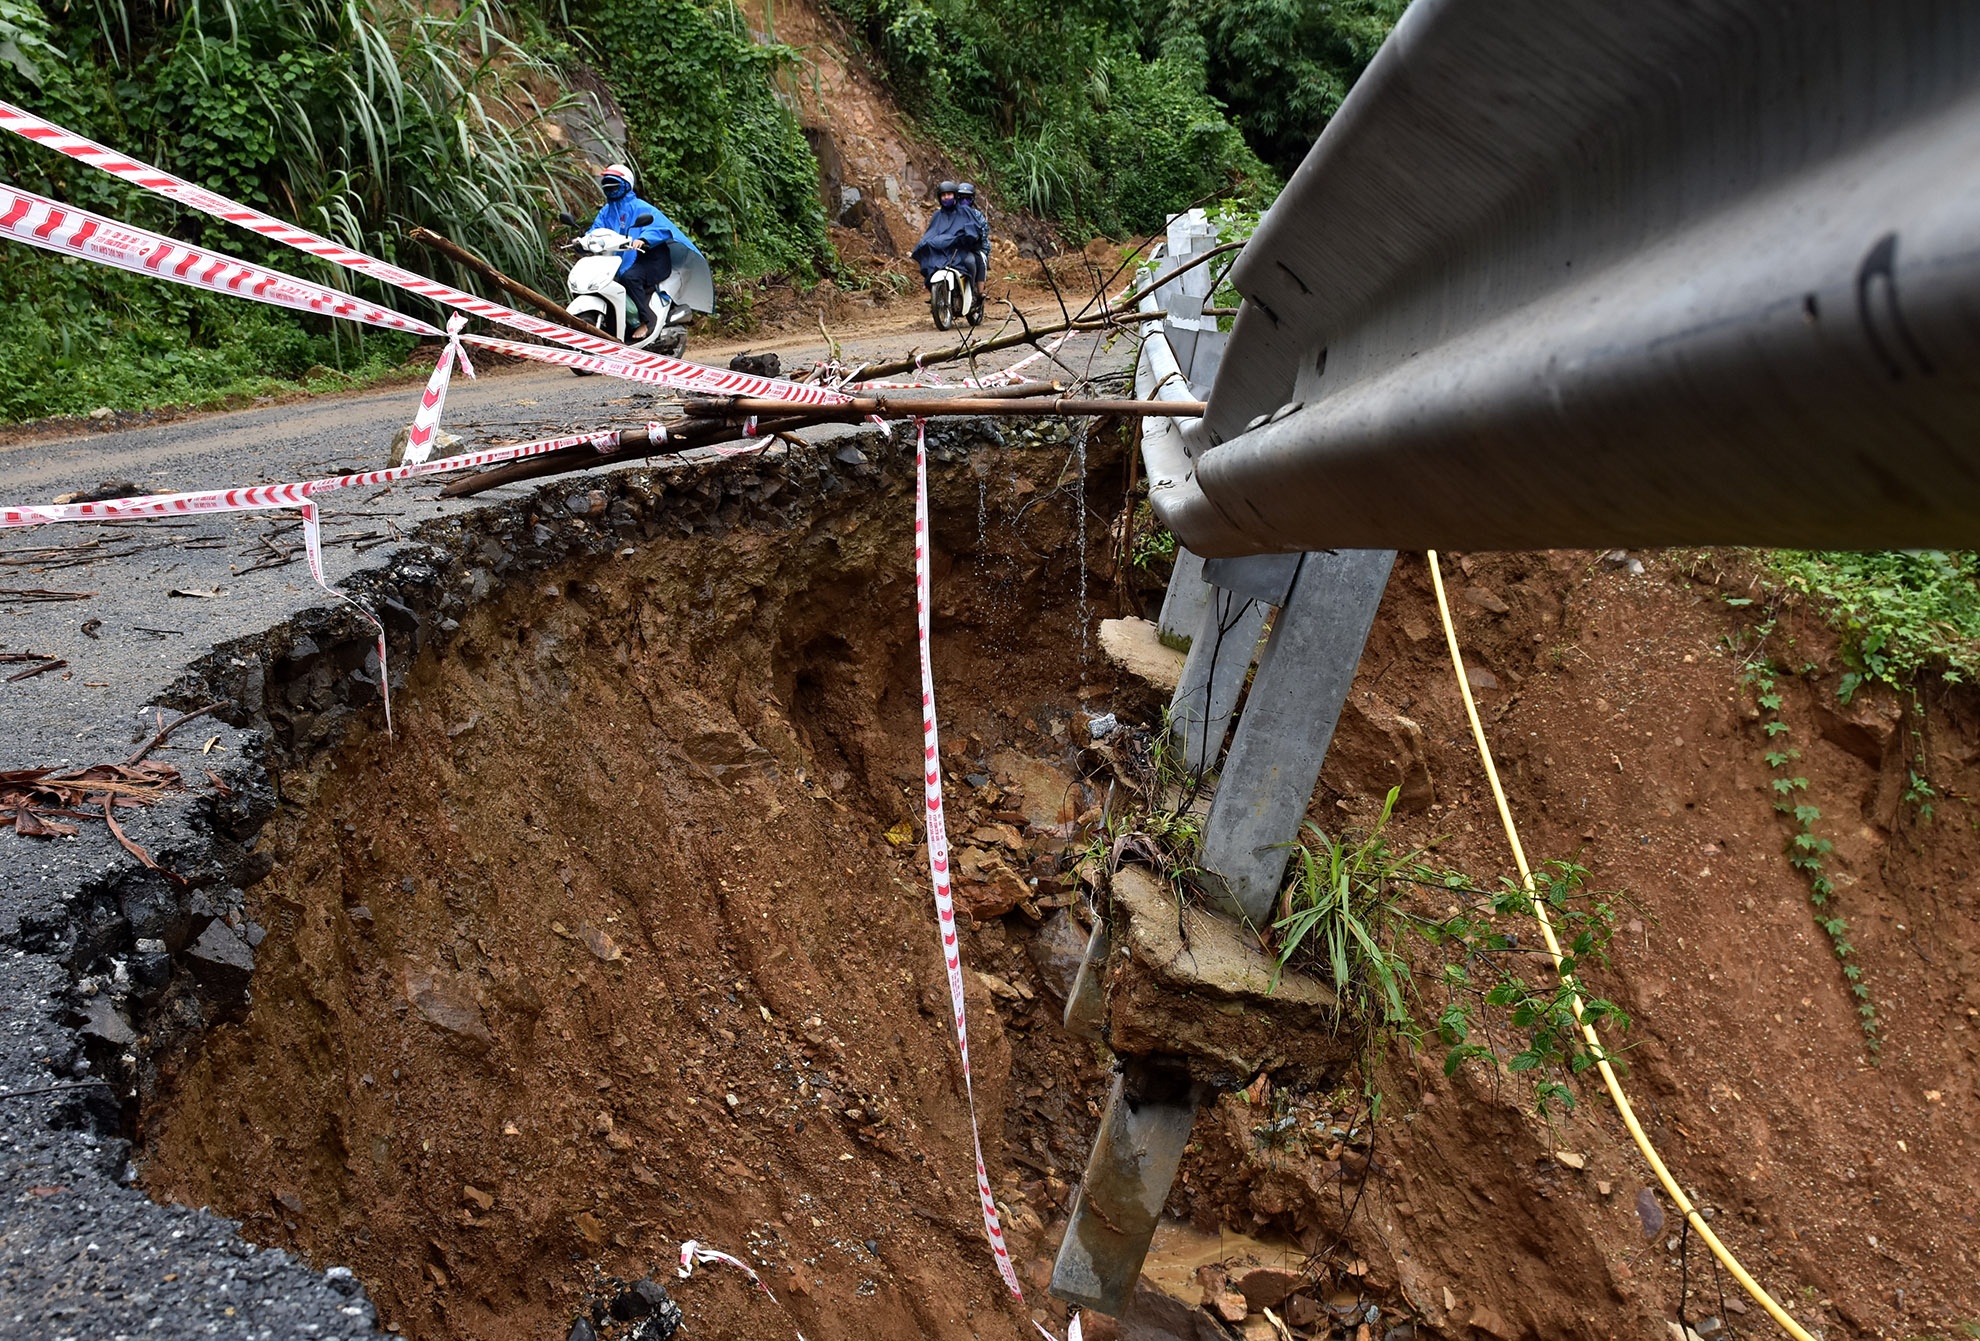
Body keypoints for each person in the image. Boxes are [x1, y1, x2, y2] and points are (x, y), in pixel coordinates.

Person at [589, 162, 683, 342]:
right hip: (617, 260)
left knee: (630, 278)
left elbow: (659, 227)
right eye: (606, 183)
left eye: (614, 183)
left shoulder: (641, 207)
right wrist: (582, 241)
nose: (609, 187)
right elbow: (595, 230)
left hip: (650, 259)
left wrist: (645, 239)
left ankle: (645, 322)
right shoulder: (606, 211)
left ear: (626, 184)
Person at [911, 180, 987, 293]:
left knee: (971, 262)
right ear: (939, 198)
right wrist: (925, 243)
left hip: (960, 251)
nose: (946, 197)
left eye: (949, 194)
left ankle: (972, 292)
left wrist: (965, 238)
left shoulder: (965, 211)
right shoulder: (937, 215)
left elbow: (973, 229)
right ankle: (935, 292)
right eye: (944, 195)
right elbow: (931, 233)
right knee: (929, 263)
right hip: (942, 252)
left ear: (955, 196)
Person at [956, 181, 990, 288]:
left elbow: (983, 232)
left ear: (972, 200)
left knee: (980, 260)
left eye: (967, 198)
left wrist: (975, 240)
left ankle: (979, 291)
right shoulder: (951, 213)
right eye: (961, 198)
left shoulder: (977, 215)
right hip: (953, 248)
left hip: (973, 248)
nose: (964, 201)